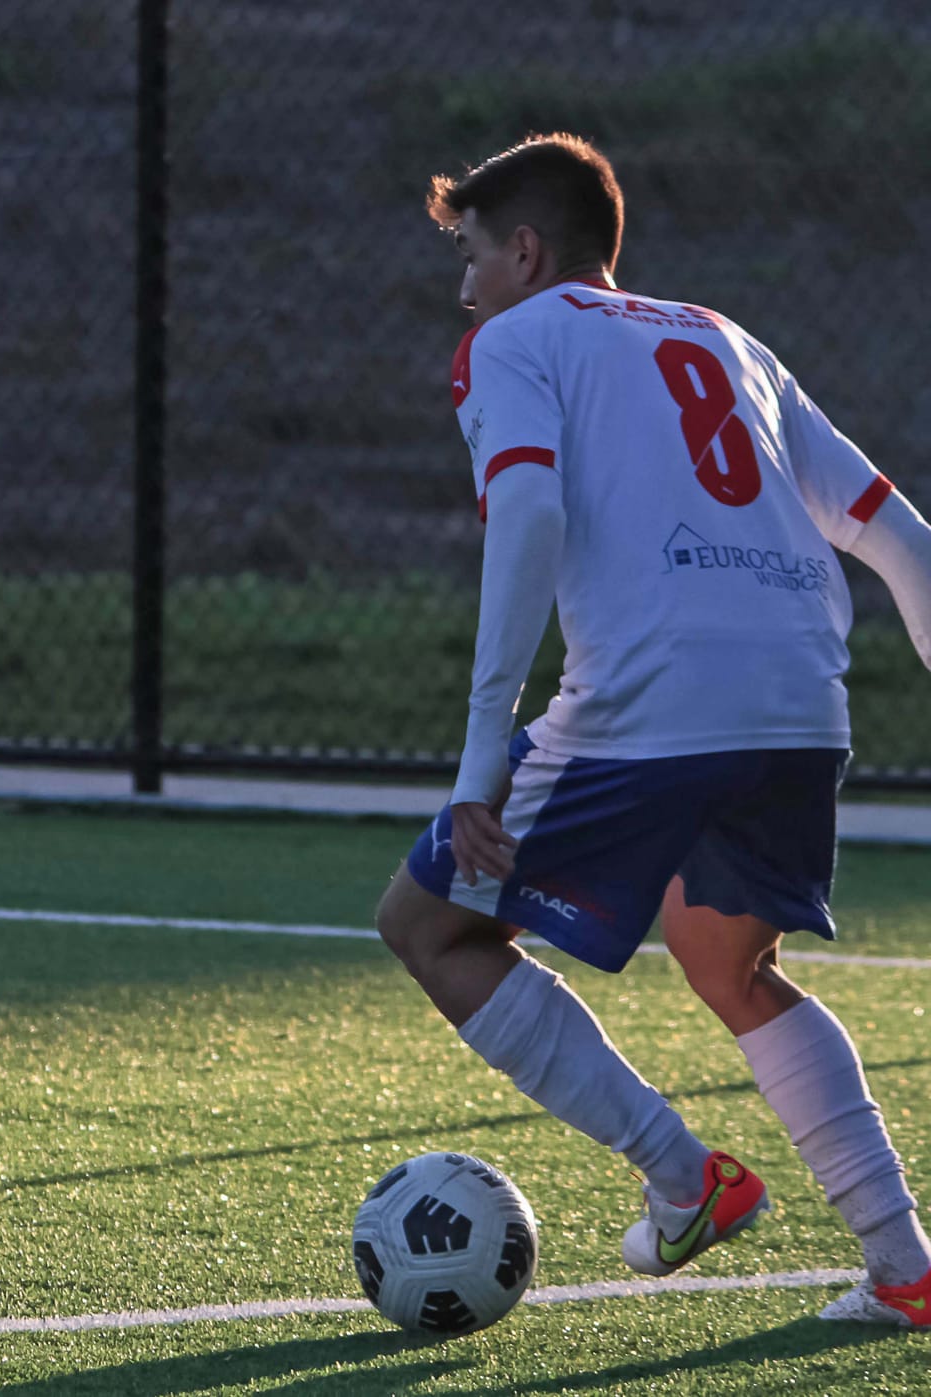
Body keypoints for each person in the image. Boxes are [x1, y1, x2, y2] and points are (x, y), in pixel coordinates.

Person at [374, 134, 931, 1327]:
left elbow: (526, 514)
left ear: (525, 252)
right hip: (798, 700)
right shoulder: (729, 340)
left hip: (648, 701)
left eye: (470, 254)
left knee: (427, 925)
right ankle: (904, 1267)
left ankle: (683, 1175)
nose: (463, 286)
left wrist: (480, 757)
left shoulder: (509, 340)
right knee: (728, 963)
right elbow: (901, 538)